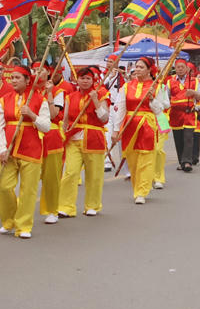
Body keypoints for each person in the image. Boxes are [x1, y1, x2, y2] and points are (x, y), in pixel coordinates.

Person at [0, 65, 51, 238]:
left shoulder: (39, 99)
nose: (14, 81)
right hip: (9, 150)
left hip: (31, 149)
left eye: (18, 78)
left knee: (28, 191)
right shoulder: (5, 99)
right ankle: (9, 220)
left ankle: (24, 226)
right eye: (12, 78)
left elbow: (46, 126)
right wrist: (2, 149)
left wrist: (32, 115)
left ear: (27, 80)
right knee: (3, 187)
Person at [59, 66, 110, 217]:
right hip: (74, 139)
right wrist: (63, 134)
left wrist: (95, 101)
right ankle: (66, 207)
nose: (85, 81)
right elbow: (65, 119)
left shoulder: (101, 94)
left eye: (88, 78)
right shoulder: (70, 97)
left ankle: (92, 205)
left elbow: (104, 118)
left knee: (94, 175)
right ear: (77, 80)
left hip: (94, 138)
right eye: (82, 78)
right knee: (70, 173)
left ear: (93, 80)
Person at [116, 58, 165, 204]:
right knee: (133, 160)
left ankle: (142, 192)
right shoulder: (127, 86)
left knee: (146, 158)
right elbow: (121, 109)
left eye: (141, 67)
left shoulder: (157, 86)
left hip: (147, 125)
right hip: (130, 126)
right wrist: (116, 130)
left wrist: (152, 99)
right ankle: (137, 188)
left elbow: (159, 110)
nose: (137, 69)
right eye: (136, 67)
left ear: (149, 70)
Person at [37, 62, 70, 223]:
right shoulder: (27, 91)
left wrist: (49, 93)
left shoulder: (58, 92)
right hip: (30, 136)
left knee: (51, 176)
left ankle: (52, 210)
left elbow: (53, 114)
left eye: (40, 70)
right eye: (34, 70)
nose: (36, 72)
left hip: (51, 135)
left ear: (48, 72)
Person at [167, 61, 200, 171]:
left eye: (182, 67)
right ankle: (181, 162)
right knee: (178, 139)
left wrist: (194, 93)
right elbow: (166, 98)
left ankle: (187, 162)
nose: (180, 69)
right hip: (175, 114)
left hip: (189, 113)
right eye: (178, 67)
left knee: (188, 137)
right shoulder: (170, 82)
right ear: (175, 69)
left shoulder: (195, 81)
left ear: (187, 69)